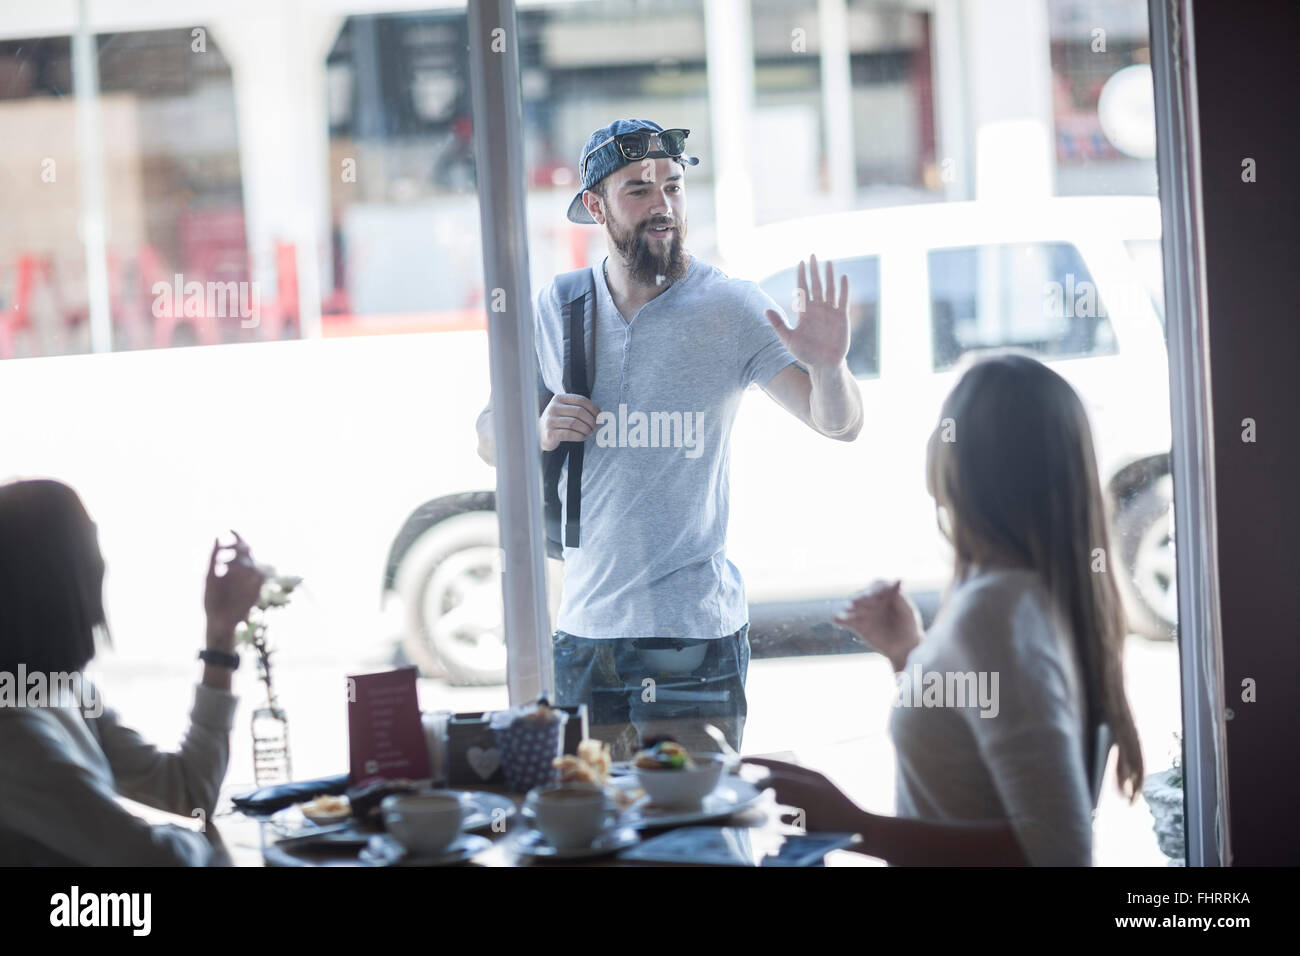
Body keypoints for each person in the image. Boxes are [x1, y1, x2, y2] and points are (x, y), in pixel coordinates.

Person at [477, 119, 864, 758]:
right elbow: (489, 436)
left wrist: (829, 368)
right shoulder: (559, 306)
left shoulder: (732, 308)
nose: (663, 205)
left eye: (674, 187)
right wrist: (537, 430)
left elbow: (840, 424)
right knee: (591, 834)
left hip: (696, 640)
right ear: (596, 208)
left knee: (698, 835)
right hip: (586, 636)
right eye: (638, 190)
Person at [746, 353, 1144, 866]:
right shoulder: (1029, 594)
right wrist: (909, 656)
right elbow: (972, 765)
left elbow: (1057, 851)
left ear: (969, 462)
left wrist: (852, 824)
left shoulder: (996, 613)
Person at [0, 478, 265, 865]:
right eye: (90, 545)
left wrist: (220, 636)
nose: (103, 563)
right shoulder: (13, 734)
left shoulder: (65, 689)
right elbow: (156, 859)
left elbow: (189, 790)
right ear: (52, 576)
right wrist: (201, 841)